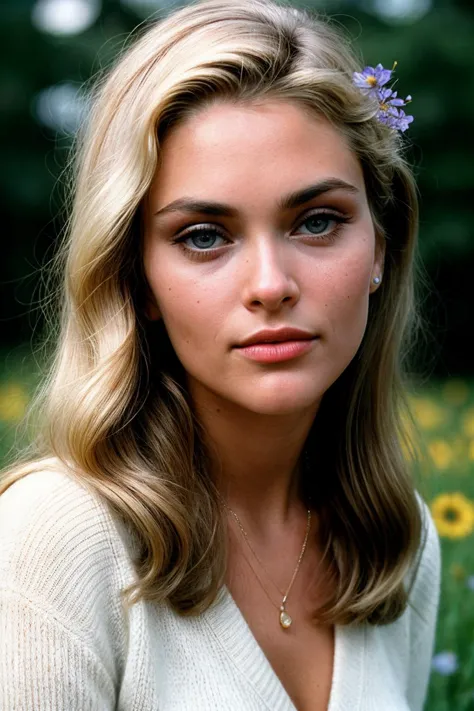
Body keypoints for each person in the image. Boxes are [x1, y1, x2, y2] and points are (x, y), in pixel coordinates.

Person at [0, 0, 441, 709]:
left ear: (381, 246)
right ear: (134, 276)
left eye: (318, 221)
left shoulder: (403, 543)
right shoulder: (56, 538)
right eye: (205, 234)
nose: (271, 285)